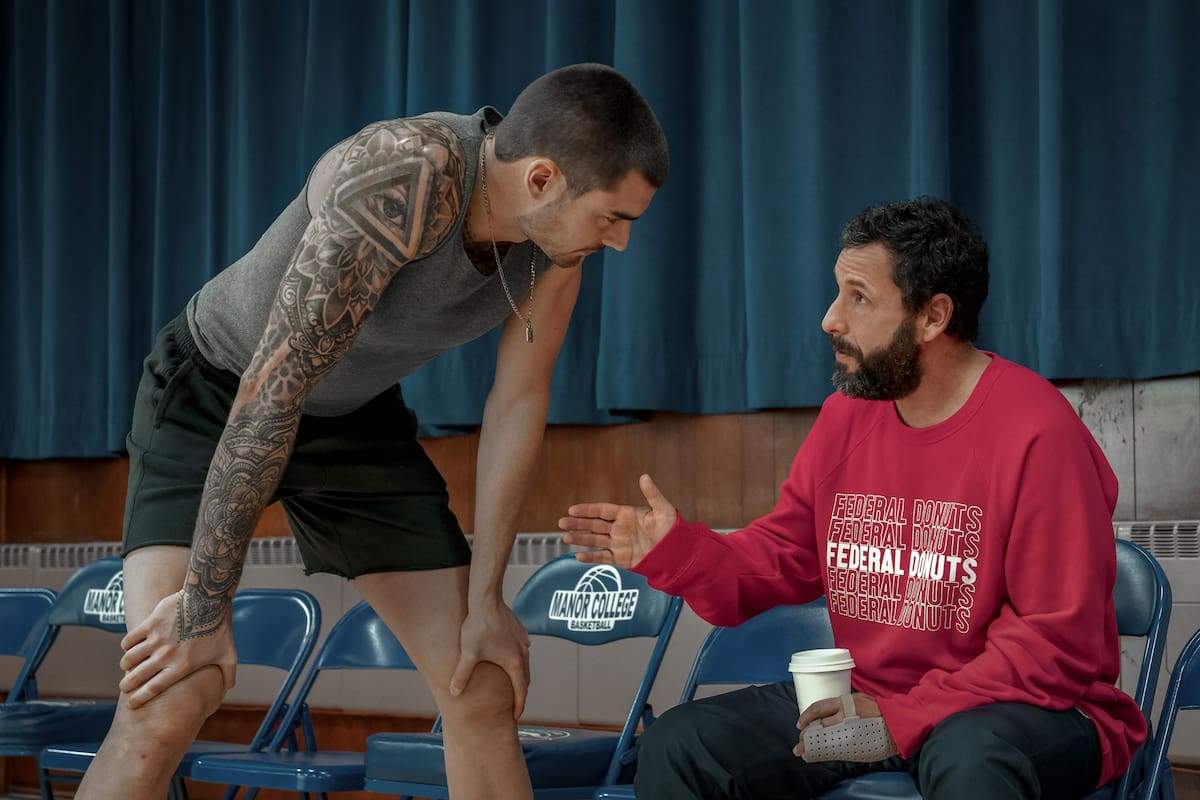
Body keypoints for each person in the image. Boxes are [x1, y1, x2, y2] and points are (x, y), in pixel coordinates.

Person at [79, 63, 667, 800]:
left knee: (479, 681)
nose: (619, 243)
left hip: (353, 414)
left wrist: (486, 602)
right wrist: (202, 608)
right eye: (615, 217)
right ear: (543, 179)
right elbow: (271, 393)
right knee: (175, 691)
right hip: (219, 389)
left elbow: (518, 403)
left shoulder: (557, 249)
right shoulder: (404, 175)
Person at [560, 197, 1145, 799]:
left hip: (1028, 711)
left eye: (858, 297)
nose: (830, 319)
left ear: (933, 316)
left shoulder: (1038, 431)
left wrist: (900, 721)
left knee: (972, 762)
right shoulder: (848, 415)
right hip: (869, 711)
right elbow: (786, 553)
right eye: (838, 292)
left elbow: (1053, 646)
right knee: (683, 746)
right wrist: (678, 552)